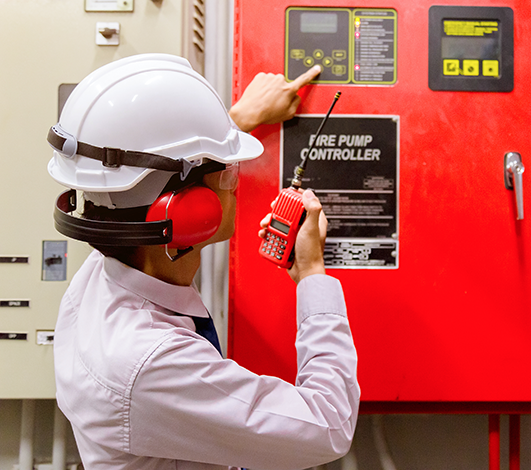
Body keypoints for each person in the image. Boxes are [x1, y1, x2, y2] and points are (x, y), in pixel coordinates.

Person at [47, 54, 360, 470]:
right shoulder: (154, 362)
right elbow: (328, 426)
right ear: (191, 210)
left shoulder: (97, 280)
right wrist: (312, 274)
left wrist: (238, 119)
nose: (236, 181)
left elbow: (146, 173)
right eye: (229, 172)